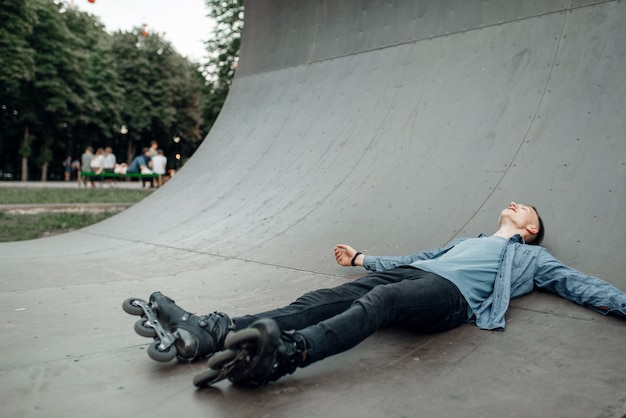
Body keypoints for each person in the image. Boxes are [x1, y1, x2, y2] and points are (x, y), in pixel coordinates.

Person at [131, 202, 626, 388]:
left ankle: (287, 355)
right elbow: (418, 254)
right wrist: (363, 259)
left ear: (531, 226)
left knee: (379, 307)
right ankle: (211, 331)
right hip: (416, 273)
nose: (514, 204)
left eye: (524, 207)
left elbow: (582, 286)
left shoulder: (533, 258)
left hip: (449, 297)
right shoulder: (470, 241)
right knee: (317, 301)